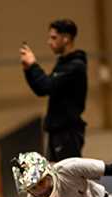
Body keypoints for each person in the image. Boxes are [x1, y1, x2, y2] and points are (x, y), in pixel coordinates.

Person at [19, 18, 88, 162]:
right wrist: (28, 70)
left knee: (68, 178)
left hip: (67, 132)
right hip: (57, 132)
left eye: (54, 37)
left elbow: (47, 86)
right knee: (56, 178)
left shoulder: (75, 66)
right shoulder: (63, 64)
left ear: (66, 39)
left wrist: (33, 65)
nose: (49, 42)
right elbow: (40, 90)